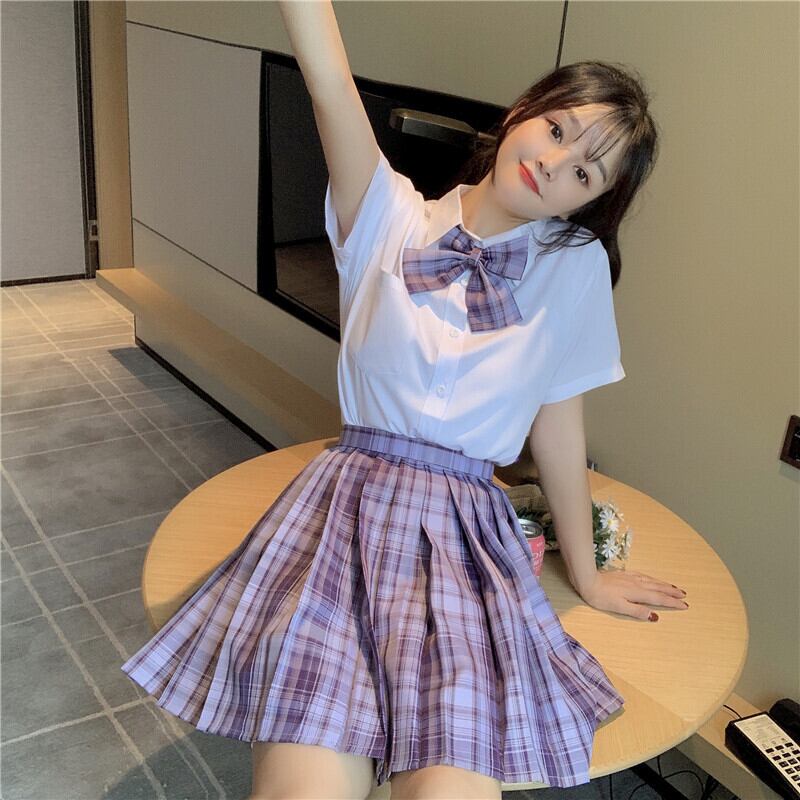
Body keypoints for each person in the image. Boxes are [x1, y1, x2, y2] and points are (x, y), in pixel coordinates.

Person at [121, 3, 689, 799]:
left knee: (450, 785)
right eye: (558, 129)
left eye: (586, 174)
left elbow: (560, 431)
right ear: (524, 110)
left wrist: (588, 576)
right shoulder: (385, 209)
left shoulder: (577, 269)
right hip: (341, 523)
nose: (556, 164)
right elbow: (328, 81)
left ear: (584, 203)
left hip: (466, 543)